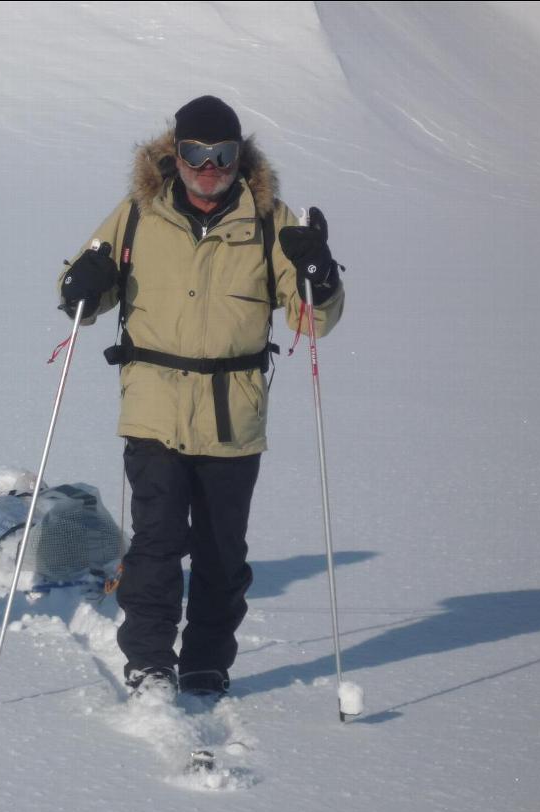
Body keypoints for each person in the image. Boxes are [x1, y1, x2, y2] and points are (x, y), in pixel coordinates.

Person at [58, 95, 345, 699]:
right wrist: (79, 285)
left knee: (220, 552)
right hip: (154, 407)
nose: (208, 166)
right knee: (158, 542)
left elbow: (311, 320)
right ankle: (150, 662)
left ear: (241, 158)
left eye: (223, 154)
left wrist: (321, 273)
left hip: (232, 416)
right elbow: (83, 292)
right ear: (176, 152)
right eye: (196, 153)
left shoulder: (269, 219)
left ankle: (207, 664)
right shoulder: (138, 214)